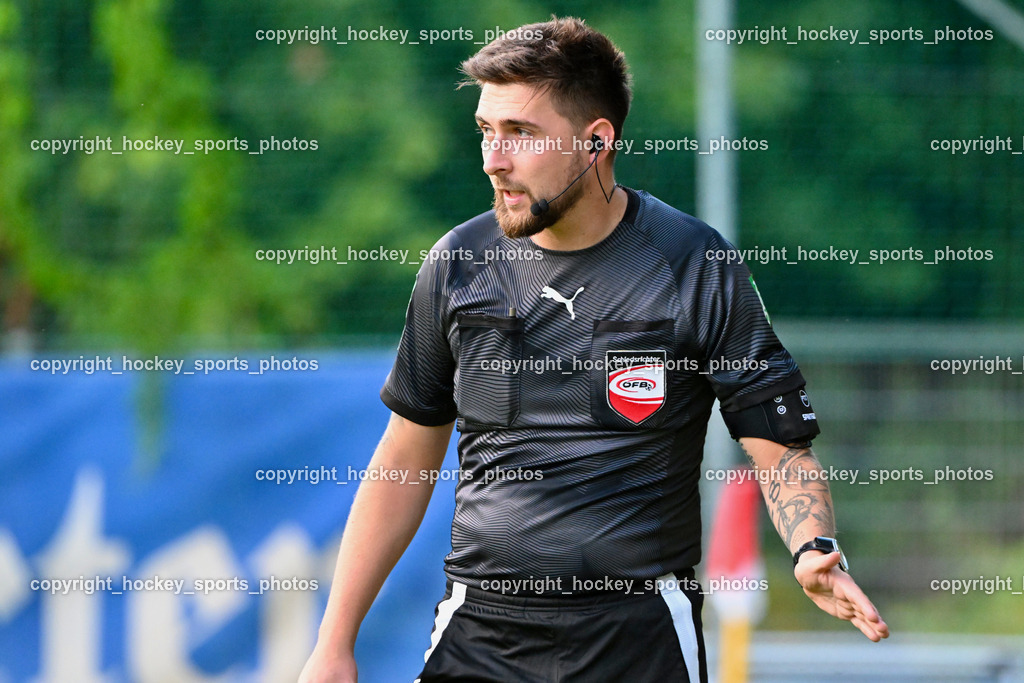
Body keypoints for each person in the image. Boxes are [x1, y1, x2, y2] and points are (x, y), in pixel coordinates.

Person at [299, 15, 888, 683]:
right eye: (486, 131)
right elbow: (405, 455)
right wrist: (334, 641)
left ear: (596, 141)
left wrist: (813, 546)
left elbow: (779, 446)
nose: (493, 159)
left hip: (639, 640)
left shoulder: (692, 264)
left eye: (520, 133)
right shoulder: (459, 263)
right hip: (481, 635)